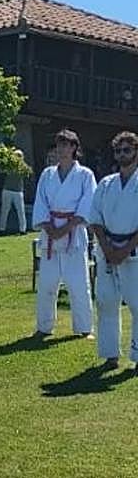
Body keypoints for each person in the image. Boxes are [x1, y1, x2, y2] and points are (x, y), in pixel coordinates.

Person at [32, 129, 96, 338]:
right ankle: (44, 326)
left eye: (66, 145)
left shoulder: (85, 175)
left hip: (74, 233)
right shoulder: (47, 174)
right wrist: (50, 228)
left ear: (74, 148)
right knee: (47, 285)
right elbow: (40, 203)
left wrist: (67, 228)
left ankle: (84, 328)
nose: (62, 150)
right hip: (50, 232)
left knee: (78, 284)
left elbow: (88, 204)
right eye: (59, 145)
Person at [87, 131, 138, 370]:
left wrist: (126, 249)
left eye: (127, 150)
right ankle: (110, 354)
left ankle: (137, 356)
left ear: (136, 152)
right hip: (106, 249)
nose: (122, 155)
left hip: (133, 251)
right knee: (106, 301)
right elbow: (95, 218)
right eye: (118, 151)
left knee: (137, 304)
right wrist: (108, 249)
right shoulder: (106, 184)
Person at [0, 149, 29, 234]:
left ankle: (22, 230)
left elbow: (26, 174)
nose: (18, 158)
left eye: (19, 156)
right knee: (5, 211)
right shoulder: (9, 165)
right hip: (7, 190)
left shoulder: (23, 167)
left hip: (18, 191)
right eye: (16, 156)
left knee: (21, 211)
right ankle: (2, 229)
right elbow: (2, 171)